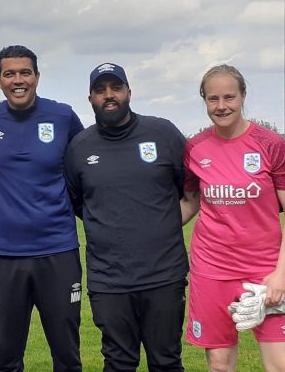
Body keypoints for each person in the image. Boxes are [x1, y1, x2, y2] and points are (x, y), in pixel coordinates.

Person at [64, 63, 189, 371]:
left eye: (116, 88)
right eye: (101, 90)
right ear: (90, 97)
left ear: (129, 92)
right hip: (109, 279)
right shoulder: (80, 147)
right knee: (119, 362)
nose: (109, 95)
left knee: (166, 361)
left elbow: (188, 191)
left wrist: (157, 224)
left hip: (164, 275)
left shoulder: (163, 133)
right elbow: (79, 203)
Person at [0, 45, 84, 371]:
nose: (18, 80)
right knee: (6, 358)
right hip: (5, 256)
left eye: (25, 72)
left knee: (66, 355)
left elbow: (83, 168)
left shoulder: (62, 116)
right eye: (10, 74)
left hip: (58, 252)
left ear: (36, 76)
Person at [181, 64, 285, 372]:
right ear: (204, 100)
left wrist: (281, 274)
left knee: (282, 366)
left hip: (263, 270)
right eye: (213, 99)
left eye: (229, 97)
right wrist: (147, 227)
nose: (221, 106)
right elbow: (191, 203)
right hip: (212, 270)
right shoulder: (195, 148)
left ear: (243, 96)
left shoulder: (272, 144)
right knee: (219, 365)